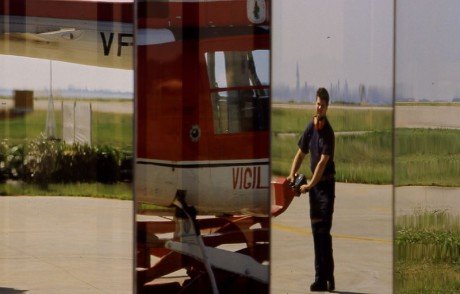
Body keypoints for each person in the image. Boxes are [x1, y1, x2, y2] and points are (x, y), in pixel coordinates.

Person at [287, 87, 335, 292]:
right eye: (317, 104)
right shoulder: (311, 126)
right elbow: (301, 153)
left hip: (325, 187)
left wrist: (308, 185)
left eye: (323, 105)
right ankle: (320, 278)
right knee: (317, 232)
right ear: (314, 103)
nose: (319, 108)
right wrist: (292, 173)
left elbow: (322, 164)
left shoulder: (328, 133)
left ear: (327, 107)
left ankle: (328, 277)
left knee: (323, 231)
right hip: (314, 189)